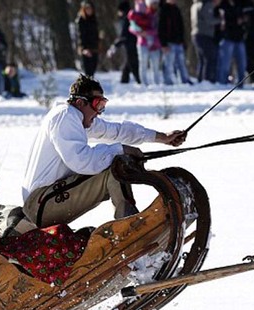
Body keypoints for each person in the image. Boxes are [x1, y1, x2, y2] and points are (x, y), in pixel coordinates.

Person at [21, 74, 186, 228]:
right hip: (40, 204)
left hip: (46, 201)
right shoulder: (66, 116)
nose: (98, 112)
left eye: (103, 106)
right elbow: (82, 161)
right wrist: (121, 150)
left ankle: (131, 226)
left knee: (115, 161)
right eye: (97, 105)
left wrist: (163, 137)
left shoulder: (77, 118)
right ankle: (131, 229)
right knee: (115, 169)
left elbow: (118, 131)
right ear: (80, 103)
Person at [129, 0, 162, 86]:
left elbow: (157, 29)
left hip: (155, 43)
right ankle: (144, 83)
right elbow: (131, 28)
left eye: (156, 3)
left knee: (155, 64)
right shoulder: (139, 13)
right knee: (143, 64)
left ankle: (157, 82)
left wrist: (148, 32)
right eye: (153, 3)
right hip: (142, 43)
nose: (155, 5)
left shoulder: (157, 15)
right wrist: (139, 32)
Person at [159, 0, 192, 85]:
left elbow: (181, 27)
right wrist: (163, 44)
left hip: (178, 42)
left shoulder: (177, 9)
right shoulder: (163, 10)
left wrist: (183, 41)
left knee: (182, 63)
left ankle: (185, 79)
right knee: (168, 63)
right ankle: (168, 81)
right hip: (168, 42)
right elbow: (161, 28)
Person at [216, 0, 247, 86]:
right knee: (225, 64)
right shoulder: (222, 5)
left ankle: (241, 83)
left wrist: (243, 20)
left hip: (239, 38)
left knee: (242, 64)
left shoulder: (239, 4)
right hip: (227, 38)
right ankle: (222, 83)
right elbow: (221, 21)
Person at [190, 0, 220, 83]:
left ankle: (200, 79)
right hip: (204, 35)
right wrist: (220, 20)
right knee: (209, 58)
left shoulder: (194, 5)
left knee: (202, 59)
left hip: (196, 34)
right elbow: (209, 20)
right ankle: (207, 80)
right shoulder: (206, 4)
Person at [111, 1, 141, 84]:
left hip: (129, 43)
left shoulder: (125, 19)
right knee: (129, 61)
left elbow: (123, 34)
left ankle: (137, 80)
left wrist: (117, 44)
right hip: (133, 42)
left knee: (132, 62)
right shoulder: (131, 17)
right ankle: (125, 79)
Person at [76, 1, 100, 78]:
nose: (89, 10)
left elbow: (96, 33)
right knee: (88, 73)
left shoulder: (94, 19)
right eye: (87, 9)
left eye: (90, 9)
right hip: (86, 48)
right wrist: (84, 49)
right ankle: (88, 88)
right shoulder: (81, 20)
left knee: (93, 70)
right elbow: (81, 36)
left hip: (94, 48)